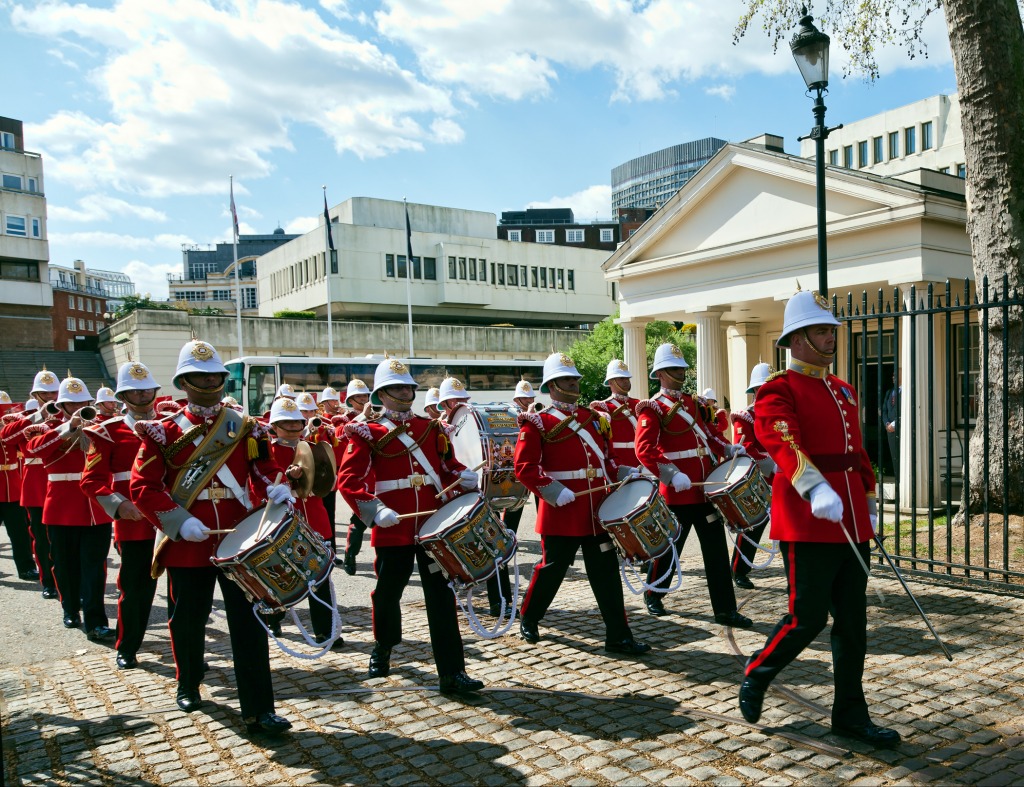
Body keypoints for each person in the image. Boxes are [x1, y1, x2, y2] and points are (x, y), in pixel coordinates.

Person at [738, 289, 900, 748]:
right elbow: (782, 442)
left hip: (849, 520)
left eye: (831, 329)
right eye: (822, 330)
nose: (831, 336)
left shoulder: (843, 388)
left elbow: (857, 450)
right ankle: (758, 670)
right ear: (797, 339)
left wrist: (867, 496)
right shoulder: (778, 390)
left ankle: (850, 713)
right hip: (808, 518)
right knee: (805, 618)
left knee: (852, 623)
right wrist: (813, 486)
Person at [129, 339, 294, 734]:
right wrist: (177, 520)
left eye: (214, 376)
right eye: (199, 376)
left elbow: (263, 466)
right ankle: (188, 683)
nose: (208, 382)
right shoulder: (162, 431)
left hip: (238, 537)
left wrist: (276, 485)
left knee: (248, 622)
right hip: (188, 539)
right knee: (189, 618)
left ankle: (259, 708)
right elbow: (143, 487)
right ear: (184, 382)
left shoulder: (244, 426)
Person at [336, 357, 485, 694]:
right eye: (396, 388)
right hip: (393, 525)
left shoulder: (431, 428)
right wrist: (374, 511)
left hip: (433, 526)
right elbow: (348, 480)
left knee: (441, 597)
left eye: (407, 387)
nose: (404, 392)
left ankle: (452, 672)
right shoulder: (368, 431)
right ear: (382, 393)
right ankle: (383, 647)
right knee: (388, 594)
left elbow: (447, 467)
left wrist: (461, 476)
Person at [514, 352, 650, 655]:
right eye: (567, 379)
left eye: (575, 378)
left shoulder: (594, 419)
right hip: (562, 510)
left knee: (606, 574)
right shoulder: (538, 422)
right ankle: (529, 616)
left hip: (595, 511)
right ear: (552, 385)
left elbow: (607, 462)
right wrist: (552, 490)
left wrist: (629, 472)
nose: (574, 383)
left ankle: (619, 636)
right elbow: (525, 468)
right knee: (552, 570)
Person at [634, 344, 752, 628]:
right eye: (675, 369)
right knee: (669, 550)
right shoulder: (653, 408)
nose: (681, 373)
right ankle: (654, 593)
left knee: (715, 553)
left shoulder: (692, 403)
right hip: (676, 492)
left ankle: (725, 610)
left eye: (682, 368)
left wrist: (729, 448)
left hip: (704, 489)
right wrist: (671, 474)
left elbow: (708, 437)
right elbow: (644, 449)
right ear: (660, 373)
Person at [81, 362, 161, 669]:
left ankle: (185, 645)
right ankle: (128, 646)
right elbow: (91, 480)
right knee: (135, 588)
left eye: (146, 390)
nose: (141, 395)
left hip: (175, 519)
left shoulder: (172, 425)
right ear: (123, 397)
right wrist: (119, 506)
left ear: (155, 391)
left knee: (182, 590)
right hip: (135, 522)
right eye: (133, 391)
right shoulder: (108, 433)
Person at [25, 376, 115, 640]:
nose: (78, 408)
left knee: (94, 567)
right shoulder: (46, 428)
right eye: (71, 404)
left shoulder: (101, 427)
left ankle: (96, 620)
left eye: (83, 403)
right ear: (61, 405)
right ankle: (70, 608)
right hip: (61, 506)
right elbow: (35, 450)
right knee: (64, 565)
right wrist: (68, 427)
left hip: (95, 507)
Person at [266, 397, 343, 648]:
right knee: (282, 575)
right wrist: (287, 480)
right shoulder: (267, 451)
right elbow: (263, 485)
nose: (294, 427)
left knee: (321, 576)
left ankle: (326, 629)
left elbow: (327, 482)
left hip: (316, 518)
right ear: (275, 426)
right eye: (286, 423)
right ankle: (273, 618)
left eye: (297, 422)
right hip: (285, 520)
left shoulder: (311, 446)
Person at [2, 371, 62, 594]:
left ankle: (68, 582)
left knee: (65, 541)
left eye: (54, 392)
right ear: (35, 395)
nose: (50, 396)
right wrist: (38, 415)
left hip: (63, 486)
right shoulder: (26, 417)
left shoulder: (67, 414)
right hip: (36, 486)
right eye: (44, 393)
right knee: (41, 538)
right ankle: (49, 582)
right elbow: (6, 437)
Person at [485, 379, 536, 615]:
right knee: (494, 544)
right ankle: (497, 599)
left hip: (508, 485)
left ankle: (502, 600)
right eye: (524, 399)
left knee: (502, 541)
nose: (528, 402)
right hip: (482, 488)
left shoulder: (529, 418)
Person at [728, 363, 776, 590]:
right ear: (755, 391)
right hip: (759, 481)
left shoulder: (782, 414)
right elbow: (745, 449)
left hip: (783, 478)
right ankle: (739, 569)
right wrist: (774, 465)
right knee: (752, 528)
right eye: (764, 388)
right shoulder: (746, 417)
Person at [0, 390, 38, 583]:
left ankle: (26, 568)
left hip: (12, 487)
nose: (7, 413)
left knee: (20, 533)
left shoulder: (10, 427)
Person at [338, 379, 371, 575]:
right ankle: (351, 554)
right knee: (359, 520)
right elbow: (341, 434)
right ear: (351, 400)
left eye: (366, 396)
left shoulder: (375, 417)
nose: (364, 399)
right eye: (359, 397)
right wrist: (363, 416)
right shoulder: (342, 419)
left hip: (376, 476)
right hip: (356, 477)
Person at [590, 360, 642, 472]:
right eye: (621, 378)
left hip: (640, 461)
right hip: (619, 462)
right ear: (610, 382)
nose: (626, 381)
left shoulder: (638, 404)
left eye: (627, 378)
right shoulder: (602, 407)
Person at [882, 371, 901, 475]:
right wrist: (887, 423)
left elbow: (906, 411)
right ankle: (897, 476)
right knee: (894, 455)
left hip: (901, 428)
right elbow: (884, 410)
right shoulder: (889, 392)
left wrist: (894, 424)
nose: (893, 377)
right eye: (893, 375)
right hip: (890, 430)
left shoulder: (905, 391)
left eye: (896, 375)